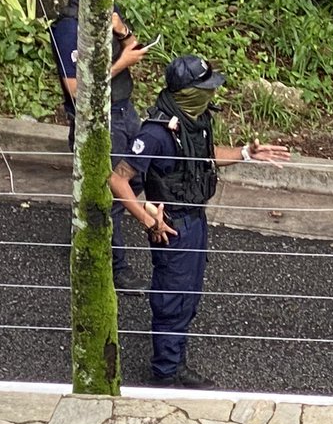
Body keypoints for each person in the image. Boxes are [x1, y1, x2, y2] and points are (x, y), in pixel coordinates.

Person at [110, 54, 291, 389]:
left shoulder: (197, 119)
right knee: (171, 298)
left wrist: (245, 154)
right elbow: (119, 180)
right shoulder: (156, 133)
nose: (211, 94)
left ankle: (174, 361)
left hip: (196, 218)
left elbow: (204, 158)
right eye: (204, 88)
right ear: (187, 92)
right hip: (172, 224)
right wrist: (149, 222)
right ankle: (165, 374)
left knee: (189, 295)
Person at [50, 0, 150, 290]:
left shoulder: (110, 12)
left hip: (125, 111)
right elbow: (77, 91)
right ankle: (114, 266)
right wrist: (122, 62)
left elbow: (132, 44)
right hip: (97, 120)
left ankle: (87, 229)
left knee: (135, 180)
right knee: (111, 194)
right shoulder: (68, 28)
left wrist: (122, 31)